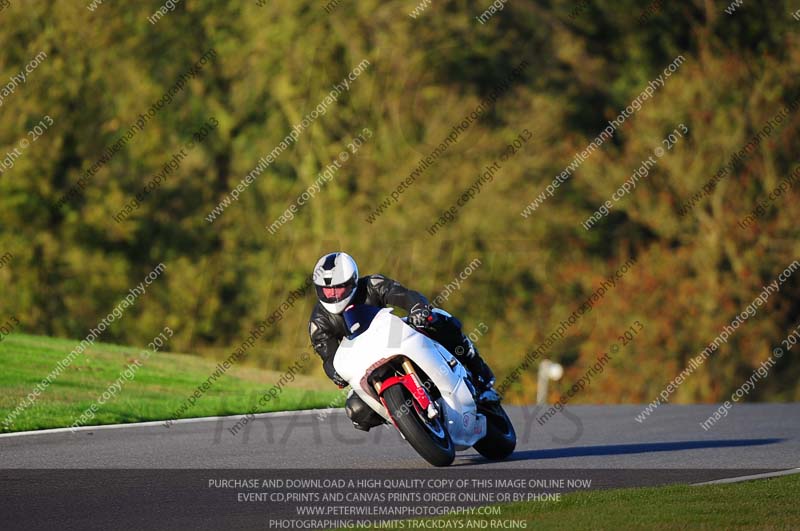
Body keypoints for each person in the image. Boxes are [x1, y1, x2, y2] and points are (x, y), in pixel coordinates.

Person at [308, 251, 497, 431]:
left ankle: (479, 373)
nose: (333, 295)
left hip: (393, 336)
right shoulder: (319, 322)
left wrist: (417, 308)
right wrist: (334, 372)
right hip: (365, 359)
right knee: (356, 409)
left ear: (353, 282)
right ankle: (408, 421)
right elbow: (329, 356)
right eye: (326, 290)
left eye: (338, 288)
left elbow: (402, 294)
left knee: (439, 320)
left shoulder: (372, 284)